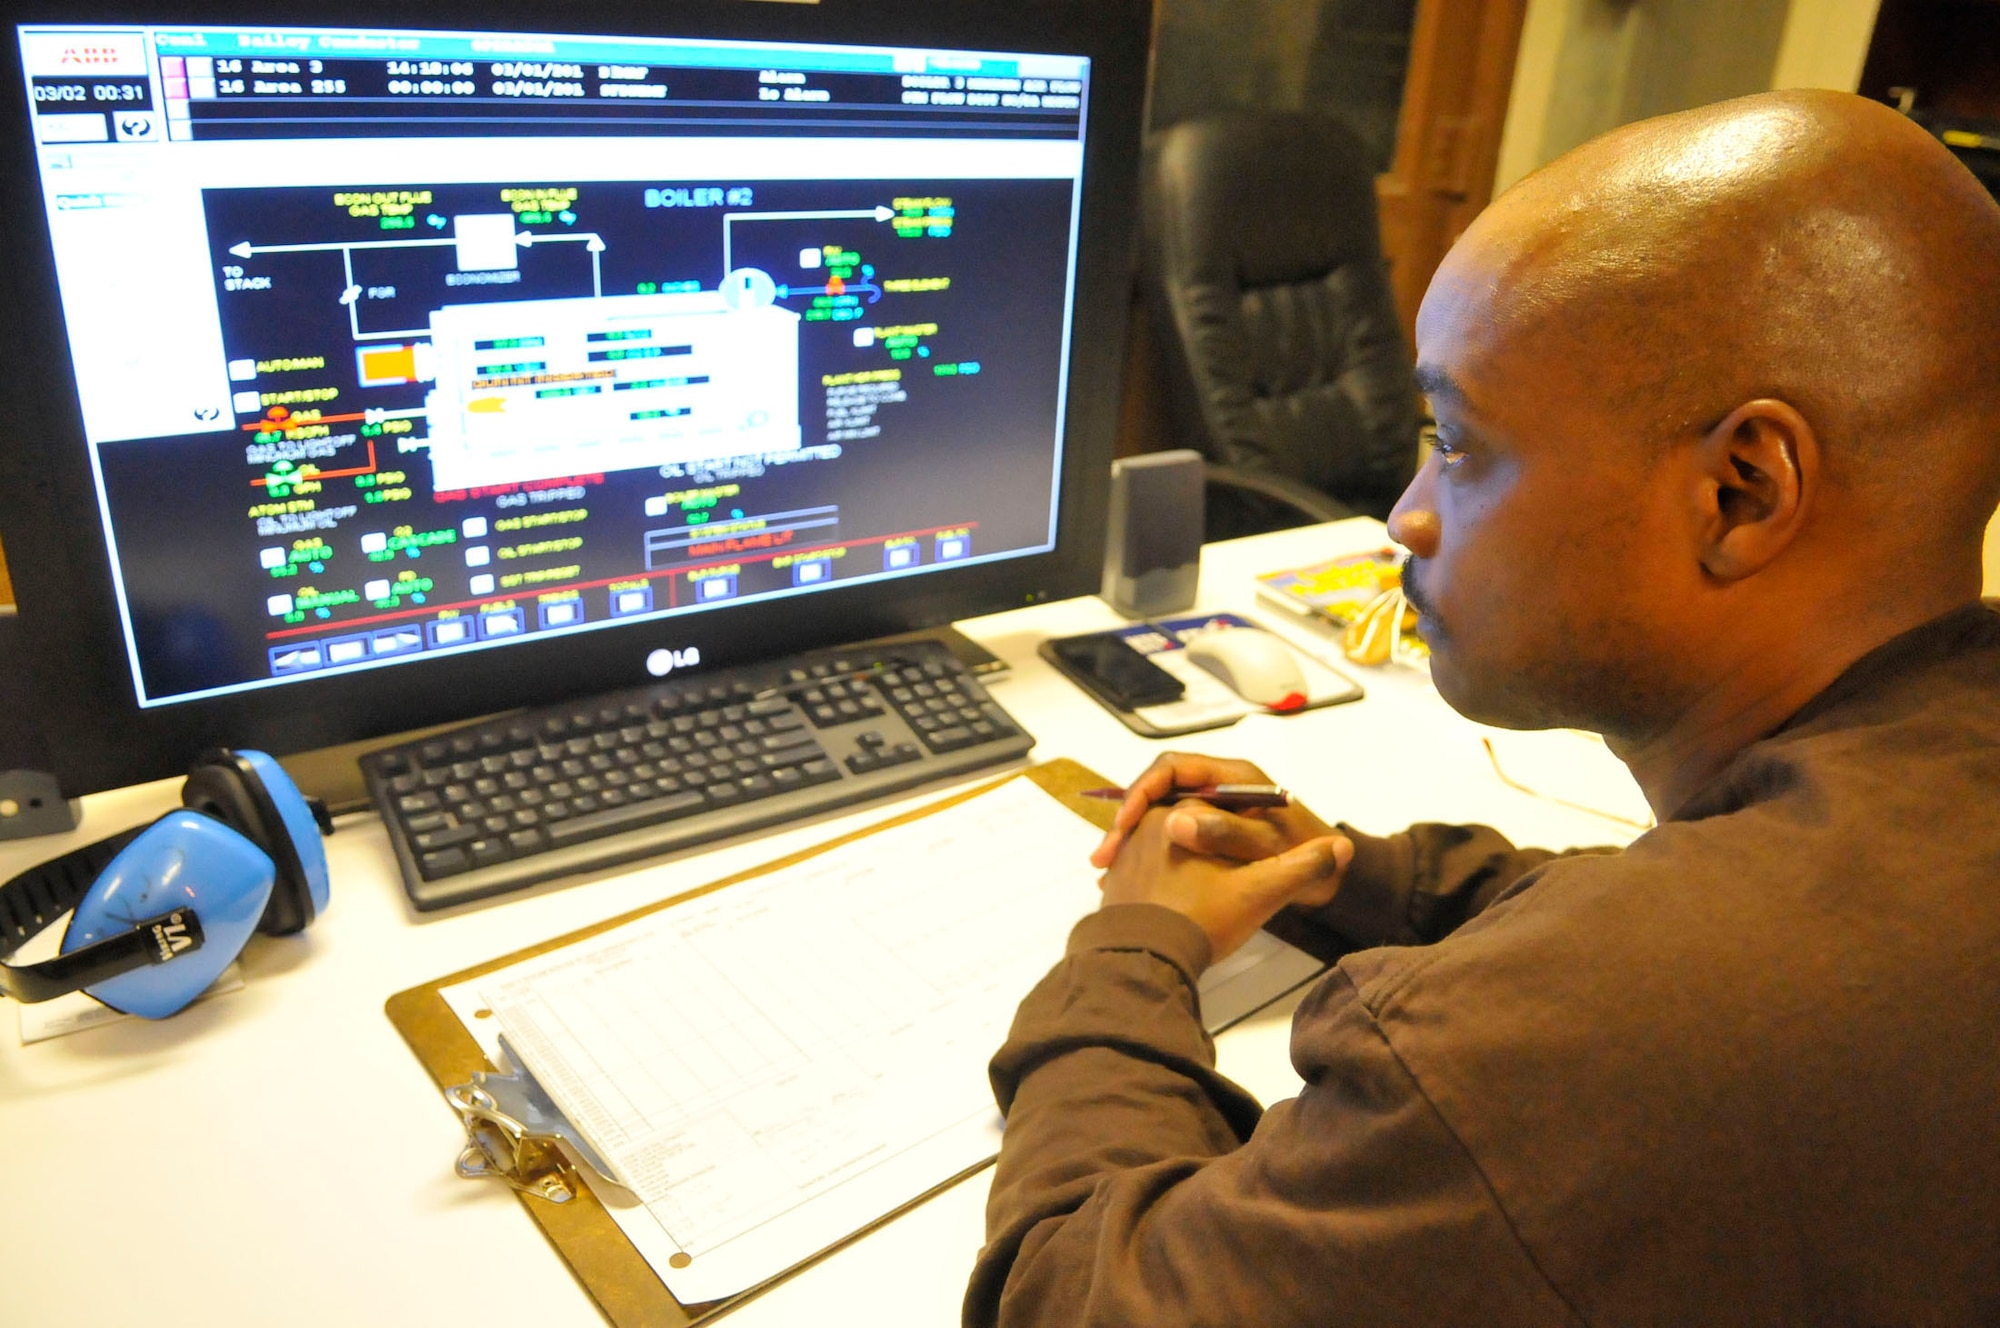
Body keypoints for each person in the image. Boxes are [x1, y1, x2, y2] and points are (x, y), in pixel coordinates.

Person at [966, 89, 2000, 1326]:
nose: (1404, 513)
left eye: (1454, 443)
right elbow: (1702, 907)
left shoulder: (1556, 1054)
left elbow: (1066, 1300)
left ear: (1737, 491)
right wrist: (1347, 870)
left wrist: (1130, 948)